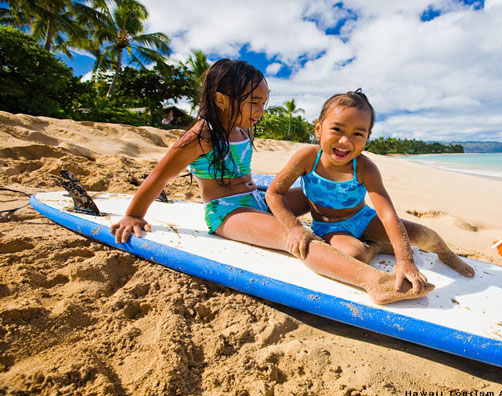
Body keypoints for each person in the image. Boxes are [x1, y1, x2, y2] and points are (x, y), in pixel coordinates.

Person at [110, 59, 431, 305]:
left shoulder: (244, 129)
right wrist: (135, 214)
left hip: (257, 198)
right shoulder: (202, 134)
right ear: (222, 100)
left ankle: (356, 238)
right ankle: (373, 282)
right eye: (254, 103)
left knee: (314, 194)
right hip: (227, 211)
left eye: (265, 102)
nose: (261, 111)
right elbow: (158, 176)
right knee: (296, 238)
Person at [266, 89, 475, 293]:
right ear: (319, 128)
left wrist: (405, 260)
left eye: (358, 133)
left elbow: (387, 214)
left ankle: (446, 254)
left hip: (363, 219)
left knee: (425, 235)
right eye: (337, 129)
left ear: (367, 137)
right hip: (329, 227)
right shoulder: (307, 157)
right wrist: (294, 228)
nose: (345, 141)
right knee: (353, 256)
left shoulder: (365, 168)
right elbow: (274, 193)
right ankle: (375, 247)